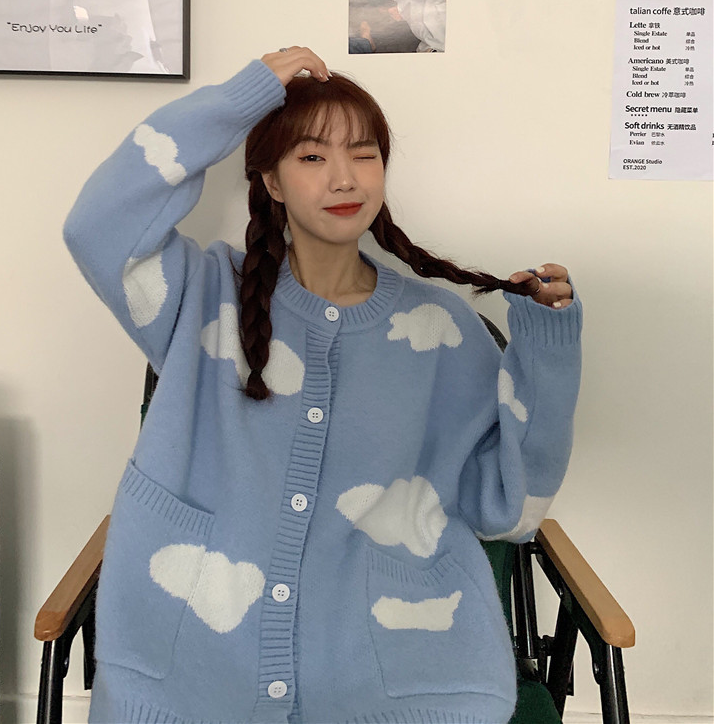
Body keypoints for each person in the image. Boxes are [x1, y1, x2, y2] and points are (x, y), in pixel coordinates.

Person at [64, 46, 581, 724]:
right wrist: (239, 100)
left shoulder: (443, 330)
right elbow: (98, 225)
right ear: (271, 181)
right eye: (311, 156)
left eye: (364, 154)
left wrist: (547, 349)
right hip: (196, 668)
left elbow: (512, 510)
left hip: (391, 674)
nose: (344, 177)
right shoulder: (204, 295)